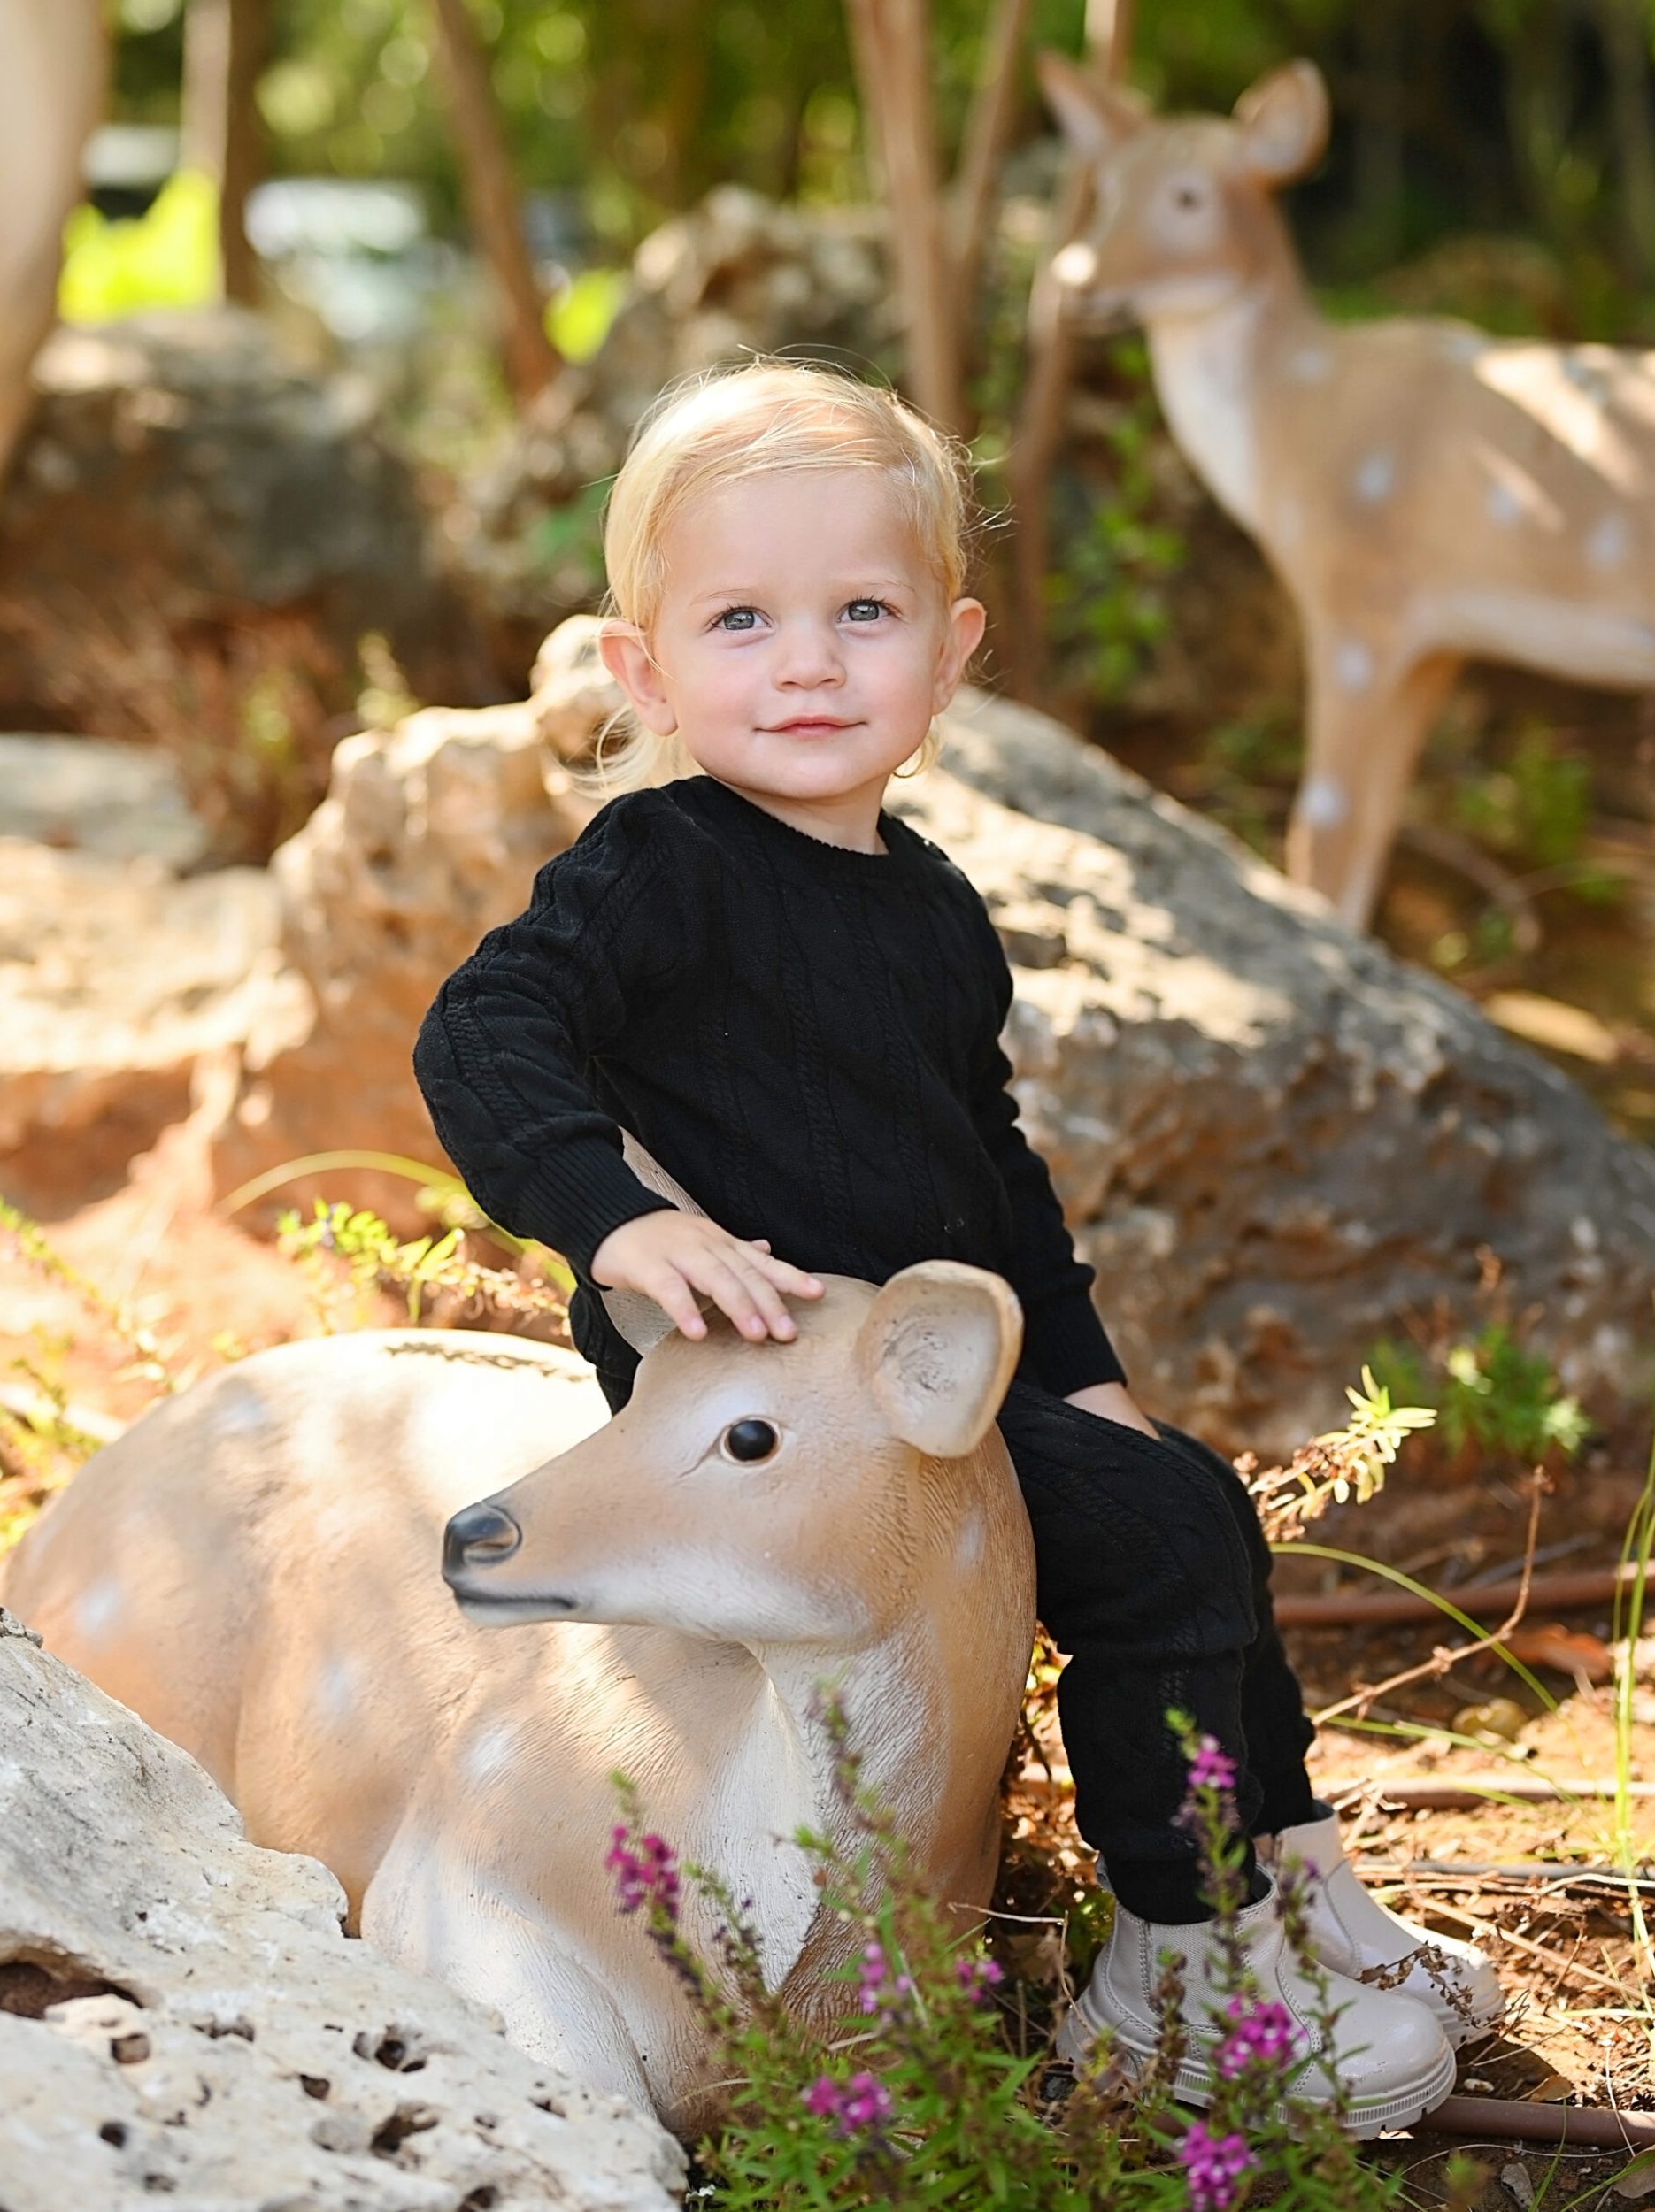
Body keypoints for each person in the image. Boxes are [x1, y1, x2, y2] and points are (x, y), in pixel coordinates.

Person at [413, 360, 1498, 2127]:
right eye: (742, 618)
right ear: (644, 665)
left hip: (920, 1368)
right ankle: (1176, 1963)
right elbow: (484, 1027)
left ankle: (1284, 1871)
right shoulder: (659, 866)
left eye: (863, 611)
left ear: (954, 643)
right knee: (1148, 1536)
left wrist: (1087, 1377)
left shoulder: (926, 905)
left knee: (1191, 1496)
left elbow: (985, 1174)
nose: (810, 660)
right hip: (755, 1373)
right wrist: (622, 1223)